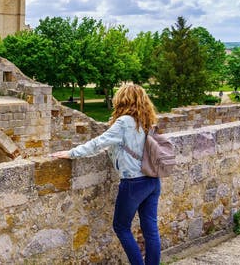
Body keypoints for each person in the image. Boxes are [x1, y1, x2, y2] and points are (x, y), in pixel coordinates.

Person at [49, 84, 161, 265]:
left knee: (121, 226)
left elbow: (98, 143)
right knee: (150, 229)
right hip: (153, 180)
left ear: (122, 100)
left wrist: (71, 153)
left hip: (134, 182)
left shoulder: (124, 122)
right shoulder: (147, 120)